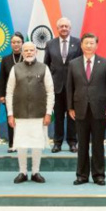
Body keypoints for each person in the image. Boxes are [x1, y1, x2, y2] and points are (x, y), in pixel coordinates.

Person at [67, 33, 106, 186]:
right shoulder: (73, 64)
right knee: (82, 144)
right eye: (86, 43)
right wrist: (70, 107)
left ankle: (99, 175)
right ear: (81, 45)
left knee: (98, 144)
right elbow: (70, 87)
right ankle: (81, 175)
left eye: (92, 43)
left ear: (96, 45)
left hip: (99, 109)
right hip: (80, 109)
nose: (89, 45)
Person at [6, 42, 54, 184]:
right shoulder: (15, 68)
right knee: (21, 144)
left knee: (37, 144)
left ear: (36, 52)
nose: (28, 53)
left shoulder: (44, 68)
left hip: (39, 114)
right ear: (22, 53)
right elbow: (9, 92)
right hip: (19, 113)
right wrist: (10, 113)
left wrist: (48, 113)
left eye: (31, 50)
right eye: (25, 50)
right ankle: (22, 172)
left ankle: (35, 172)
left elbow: (50, 92)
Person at [43, 17, 82, 153]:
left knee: (73, 116)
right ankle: (57, 142)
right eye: (61, 26)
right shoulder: (50, 44)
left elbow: (82, 63)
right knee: (58, 116)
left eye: (66, 26)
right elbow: (46, 65)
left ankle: (72, 142)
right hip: (56, 86)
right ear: (57, 28)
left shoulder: (78, 43)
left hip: (75, 86)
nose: (64, 28)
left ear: (70, 28)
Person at [0, 32, 26, 153]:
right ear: (10, 44)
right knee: (11, 119)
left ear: (22, 43)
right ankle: (12, 144)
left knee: (24, 120)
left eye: (18, 42)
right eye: (13, 42)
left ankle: (23, 144)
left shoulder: (27, 57)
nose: (16, 44)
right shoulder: (5, 59)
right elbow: (2, 79)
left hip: (25, 95)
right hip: (9, 96)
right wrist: (1, 95)